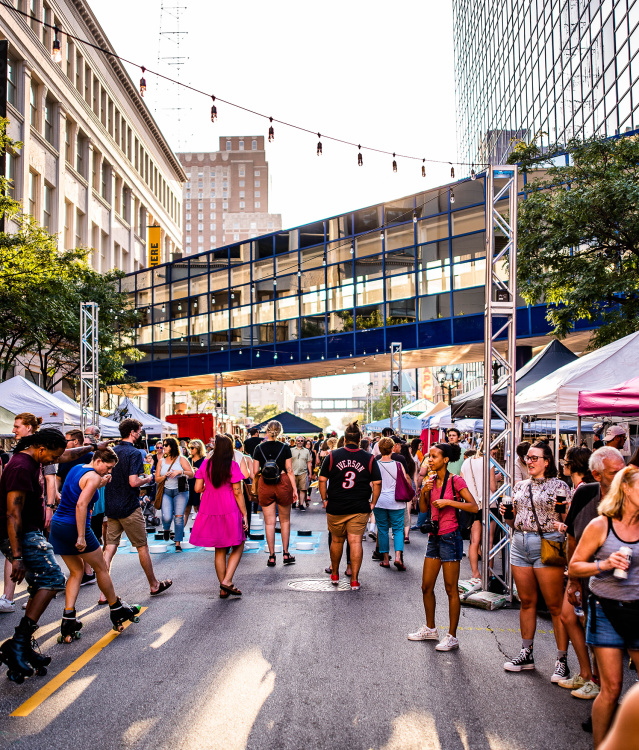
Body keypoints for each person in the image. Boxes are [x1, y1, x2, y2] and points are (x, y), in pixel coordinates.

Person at [569, 465, 639, 748]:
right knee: (611, 688)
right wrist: (605, 564)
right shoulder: (602, 524)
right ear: (625, 488)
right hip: (606, 609)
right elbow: (575, 564)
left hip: (638, 609)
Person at [49, 449, 141, 641]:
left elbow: (84, 486)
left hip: (59, 526)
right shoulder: (92, 477)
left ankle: (68, 618)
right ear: (98, 461)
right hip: (75, 526)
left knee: (76, 572)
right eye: (107, 467)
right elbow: (81, 505)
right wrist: (81, 536)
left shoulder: (78, 469)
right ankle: (116, 608)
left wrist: (102, 480)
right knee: (101, 568)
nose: (109, 472)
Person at [0, 429, 68, 682]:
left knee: (42, 583)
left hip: (29, 533)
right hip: (22, 536)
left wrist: (92, 448)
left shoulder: (30, 459)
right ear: (41, 447)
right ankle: (18, 644)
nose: (54, 461)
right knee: (52, 580)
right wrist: (17, 556)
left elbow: (65, 453)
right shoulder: (20, 467)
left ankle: (22, 645)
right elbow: (12, 513)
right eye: (53, 455)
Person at [501, 441, 571, 681]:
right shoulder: (519, 486)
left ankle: (562, 660)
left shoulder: (559, 485)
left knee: (554, 605)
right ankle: (526, 653)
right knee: (526, 601)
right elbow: (513, 522)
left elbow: (566, 518)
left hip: (547, 543)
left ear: (547, 461)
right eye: (527, 458)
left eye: (534, 458)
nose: (528, 461)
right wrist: (507, 514)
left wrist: (562, 515)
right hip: (519, 542)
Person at [558, 447, 626, 699]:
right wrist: (573, 579)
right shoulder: (586, 493)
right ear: (597, 475)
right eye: (614, 472)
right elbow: (572, 539)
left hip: (625, 582)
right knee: (582, 622)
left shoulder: (631, 494)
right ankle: (592, 677)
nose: (621, 476)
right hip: (590, 576)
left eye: (623, 470)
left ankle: (599, 682)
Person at [408, 442, 478, 651]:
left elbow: (473, 506)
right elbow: (422, 509)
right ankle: (430, 629)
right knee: (426, 586)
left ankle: (452, 636)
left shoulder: (455, 481)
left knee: (450, 589)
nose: (430, 460)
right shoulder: (430, 480)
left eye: (434, 457)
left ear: (445, 460)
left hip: (451, 536)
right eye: (429, 456)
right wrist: (424, 493)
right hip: (434, 537)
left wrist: (449, 503)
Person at [100, 418, 172, 604]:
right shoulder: (133, 453)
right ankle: (154, 584)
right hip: (129, 506)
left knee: (109, 548)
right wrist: (147, 479)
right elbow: (133, 481)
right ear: (132, 432)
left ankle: (103, 594)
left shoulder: (112, 451)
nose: (140, 434)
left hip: (112, 505)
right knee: (142, 546)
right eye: (139, 431)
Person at [319, 421, 381, 591]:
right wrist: (373, 503)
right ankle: (354, 580)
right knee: (355, 542)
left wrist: (325, 499)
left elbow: (322, 480)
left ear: (344, 439)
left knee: (337, 540)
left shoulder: (332, 456)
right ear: (360, 439)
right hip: (360, 506)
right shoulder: (369, 458)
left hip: (336, 505)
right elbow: (377, 482)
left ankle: (335, 575)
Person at [191, 435, 248, 597]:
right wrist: (244, 514)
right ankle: (227, 581)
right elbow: (237, 492)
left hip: (210, 506)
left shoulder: (206, 464)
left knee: (219, 549)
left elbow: (197, 488)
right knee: (238, 543)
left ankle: (223, 589)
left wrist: (208, 490)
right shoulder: (232, 465)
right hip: (229, 507)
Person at [254, 420, 298, 567]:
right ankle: (286, 553)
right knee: (285, 520)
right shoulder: (285, 447)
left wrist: (254, 486)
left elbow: (255, 472)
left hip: (265, 484)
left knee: (269, 522)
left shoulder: (258, 448)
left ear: (267, 431)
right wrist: (295, 489)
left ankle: (272, 556)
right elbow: (290, 470)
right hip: (283, 482)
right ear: (280, 432)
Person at [460, 445, 497, 584]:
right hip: (488, 504)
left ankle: (475, 574)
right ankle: (489, 572)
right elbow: (493, 487)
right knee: (489, 541)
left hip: (471, 504)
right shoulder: (489, 462)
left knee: (474, 541)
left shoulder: (466, 462)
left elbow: (462, 485)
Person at [375, 437, 411, 570]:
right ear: (392, 449)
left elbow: (372, 484)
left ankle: (385, 559)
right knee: (398, 529)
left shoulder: (375, 464)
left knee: (383, 530)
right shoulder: (398, 464)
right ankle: (397, 557)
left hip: (379, 501)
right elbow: (405, 480)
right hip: (396, 501)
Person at [155, 436, 194, 552]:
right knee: (166, 517)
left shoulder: (181, 459)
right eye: (163, 445)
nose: (163, 447)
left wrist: (180, 471)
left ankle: (178, 543)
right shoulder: (161, 461)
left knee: (178, 517)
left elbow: (191, 474)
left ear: (172, 446)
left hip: (180, 491)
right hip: (166, 491)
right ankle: (166, 529)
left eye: (166, 445)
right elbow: (156, 479)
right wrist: (164, 476)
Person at [184, 439, 206, 529]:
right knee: (186, 509)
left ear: (198, 448)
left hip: (200, 486)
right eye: (189, 448)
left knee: (201, 509)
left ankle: (201, 530)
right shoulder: (188, 460)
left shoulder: (205, 460)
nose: (190, 449)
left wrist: (199, 471)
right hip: (189, 484)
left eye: (192, 448)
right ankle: (179, 532)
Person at [291, 437, 313, 511]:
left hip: (303, 472)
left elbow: (309, 462)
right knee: (294, 489)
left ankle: (301, 504)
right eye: (298, 441)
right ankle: (294, 502)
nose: (300, 442)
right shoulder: (291, 450)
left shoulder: (306, 451)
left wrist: (310, 473)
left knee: (303, 489)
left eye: (301, 441)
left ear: (303, 442)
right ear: (296, 442)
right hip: (293, 472)